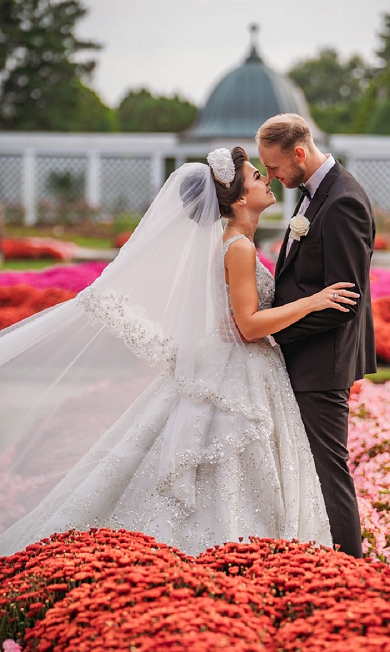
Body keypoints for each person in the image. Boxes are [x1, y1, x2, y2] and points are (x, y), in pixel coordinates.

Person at [0, 147, 359, 557]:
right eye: (257, 177)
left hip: (242, 365)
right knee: (232, 465)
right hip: (240, 369)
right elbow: (248, 325)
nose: (267, 180)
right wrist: (312, 302)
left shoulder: (237, 243)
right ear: (240, 198)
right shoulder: (238, 247)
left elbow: (237, 319)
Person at [257, 114, 377, 558]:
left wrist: (275, 333)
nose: (271, 177)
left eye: (273, 167)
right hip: (307, 357)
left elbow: (343, 301)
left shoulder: (343, 201)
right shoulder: (313, 195)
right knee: (312, 468)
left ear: (299, 154)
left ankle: (349, 568)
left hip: (321, 362)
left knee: (329, 471)